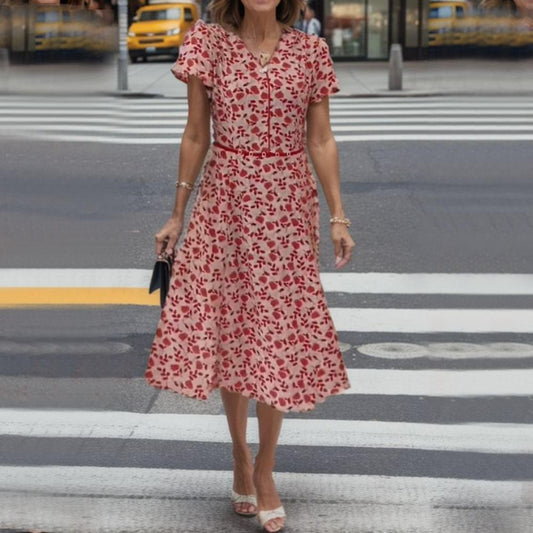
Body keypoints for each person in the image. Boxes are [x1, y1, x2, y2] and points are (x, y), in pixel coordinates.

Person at [144, 0, 354, 530]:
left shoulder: (311, 51)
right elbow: (196, 134)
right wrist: (176, 214)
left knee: (277, 335)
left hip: (287, 206)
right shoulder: (206, 44)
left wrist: (338, 215)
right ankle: (240, 452)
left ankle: (265, 468)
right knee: (234, 334)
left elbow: (321, 139)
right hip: (226, 203)